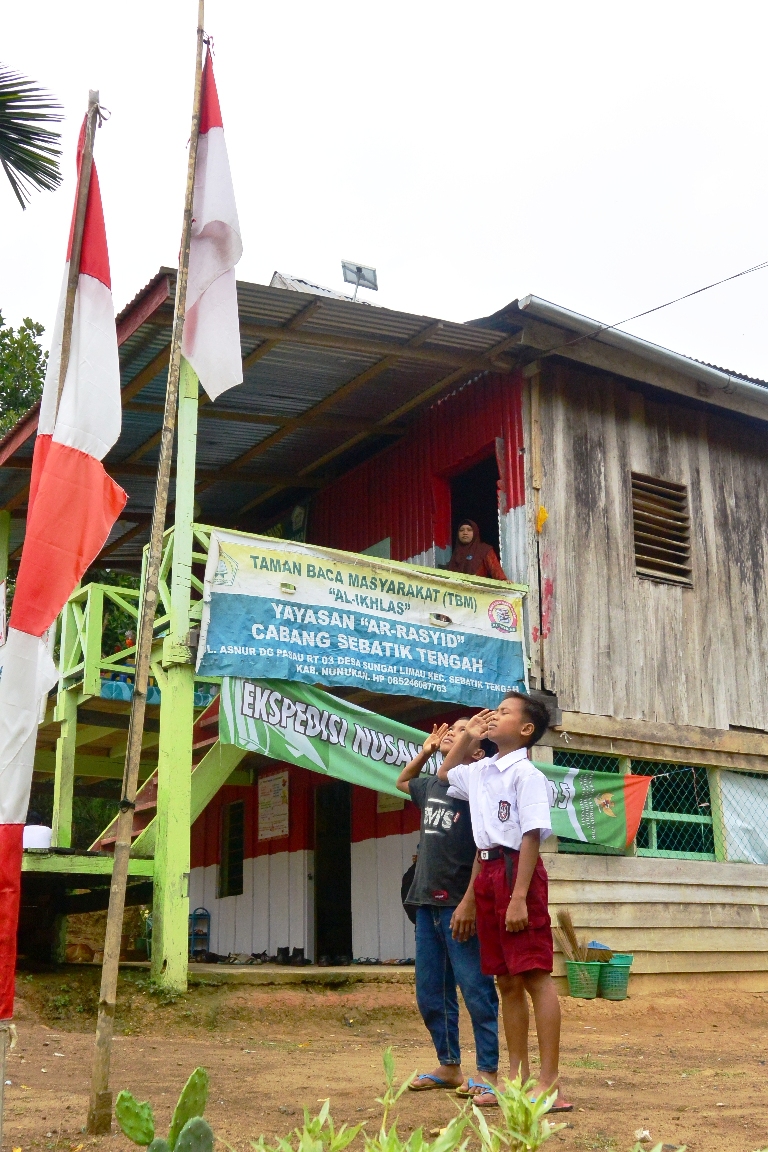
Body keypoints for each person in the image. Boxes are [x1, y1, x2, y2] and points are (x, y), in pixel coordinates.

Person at [437, 694, 571, 1113]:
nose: (494, 716)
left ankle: (549, 1081)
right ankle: (518, 1077)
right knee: (506, 981)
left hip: (518, 873)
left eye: (505, 712)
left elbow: (532, 834)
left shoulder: (526, 774)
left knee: (533, 975)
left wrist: (518, 898)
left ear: (526, 730)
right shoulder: (480, 771)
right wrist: (469, 736)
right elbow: (443, 774)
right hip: (488, 870)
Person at [397, 719, 500, 1102]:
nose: (451, 734)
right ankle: (450, 1065)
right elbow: (403, 781)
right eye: (453, 730)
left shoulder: (475, 788)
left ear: (475, 752)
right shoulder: (433, 785)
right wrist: (425, 749)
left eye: (460, 732)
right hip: (426, 904)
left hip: (458, 905)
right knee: (431, 992)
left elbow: (483, 850)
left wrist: (470, 902)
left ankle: (487, 1070)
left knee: (475, 989)